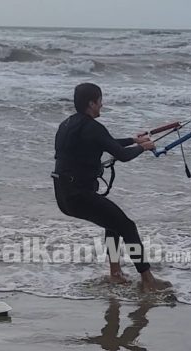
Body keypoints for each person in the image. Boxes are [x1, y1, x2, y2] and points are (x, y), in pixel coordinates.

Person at [52, 83, 171, 292]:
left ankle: (115, 274)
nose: (101, 105)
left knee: (113, 223)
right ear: (91, 103)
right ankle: (148, 280)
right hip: (79, 195)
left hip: (63, 194)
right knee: (127, 226)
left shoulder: (67, 124)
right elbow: (121, 155)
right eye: (100, 101)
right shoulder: (92, 127)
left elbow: (106, 143)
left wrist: (133, 140)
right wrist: (143, 148)